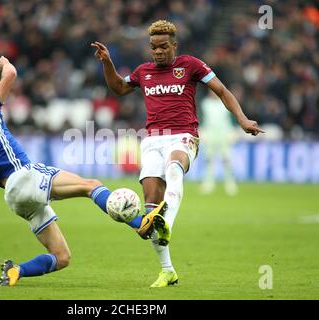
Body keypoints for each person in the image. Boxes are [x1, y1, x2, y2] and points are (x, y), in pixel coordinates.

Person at [0, 56, 164, 287]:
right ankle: (140, 223)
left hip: (14, 197)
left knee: (62, 257)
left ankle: (16, 271)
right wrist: (4, 63)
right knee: (92, 185)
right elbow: (12, 74)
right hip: (24, 176)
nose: (1, 101)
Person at [91, 20, 264, 287]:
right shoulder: (143, 71)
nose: (157, 52)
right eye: (153, 47)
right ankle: (167, 269)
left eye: (162, 47)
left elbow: (222, 90)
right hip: (152, 141)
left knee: (174, 167)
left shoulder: (190, 65)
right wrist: (107, 63)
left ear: (174, 45)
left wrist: (241, 119)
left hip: (184, 135)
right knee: (149, 202)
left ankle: (165, 221)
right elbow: (119, 88)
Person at [199, 90, 238, 196]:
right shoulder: (205, 104)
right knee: (209, 159)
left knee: (226, 159)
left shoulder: (224, 103)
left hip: (224, 133)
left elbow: (231, 118)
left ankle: (230, 183)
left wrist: (233, 130)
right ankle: (208, 183)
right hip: (210, 133)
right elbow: (202, 118)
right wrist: (202, 131)